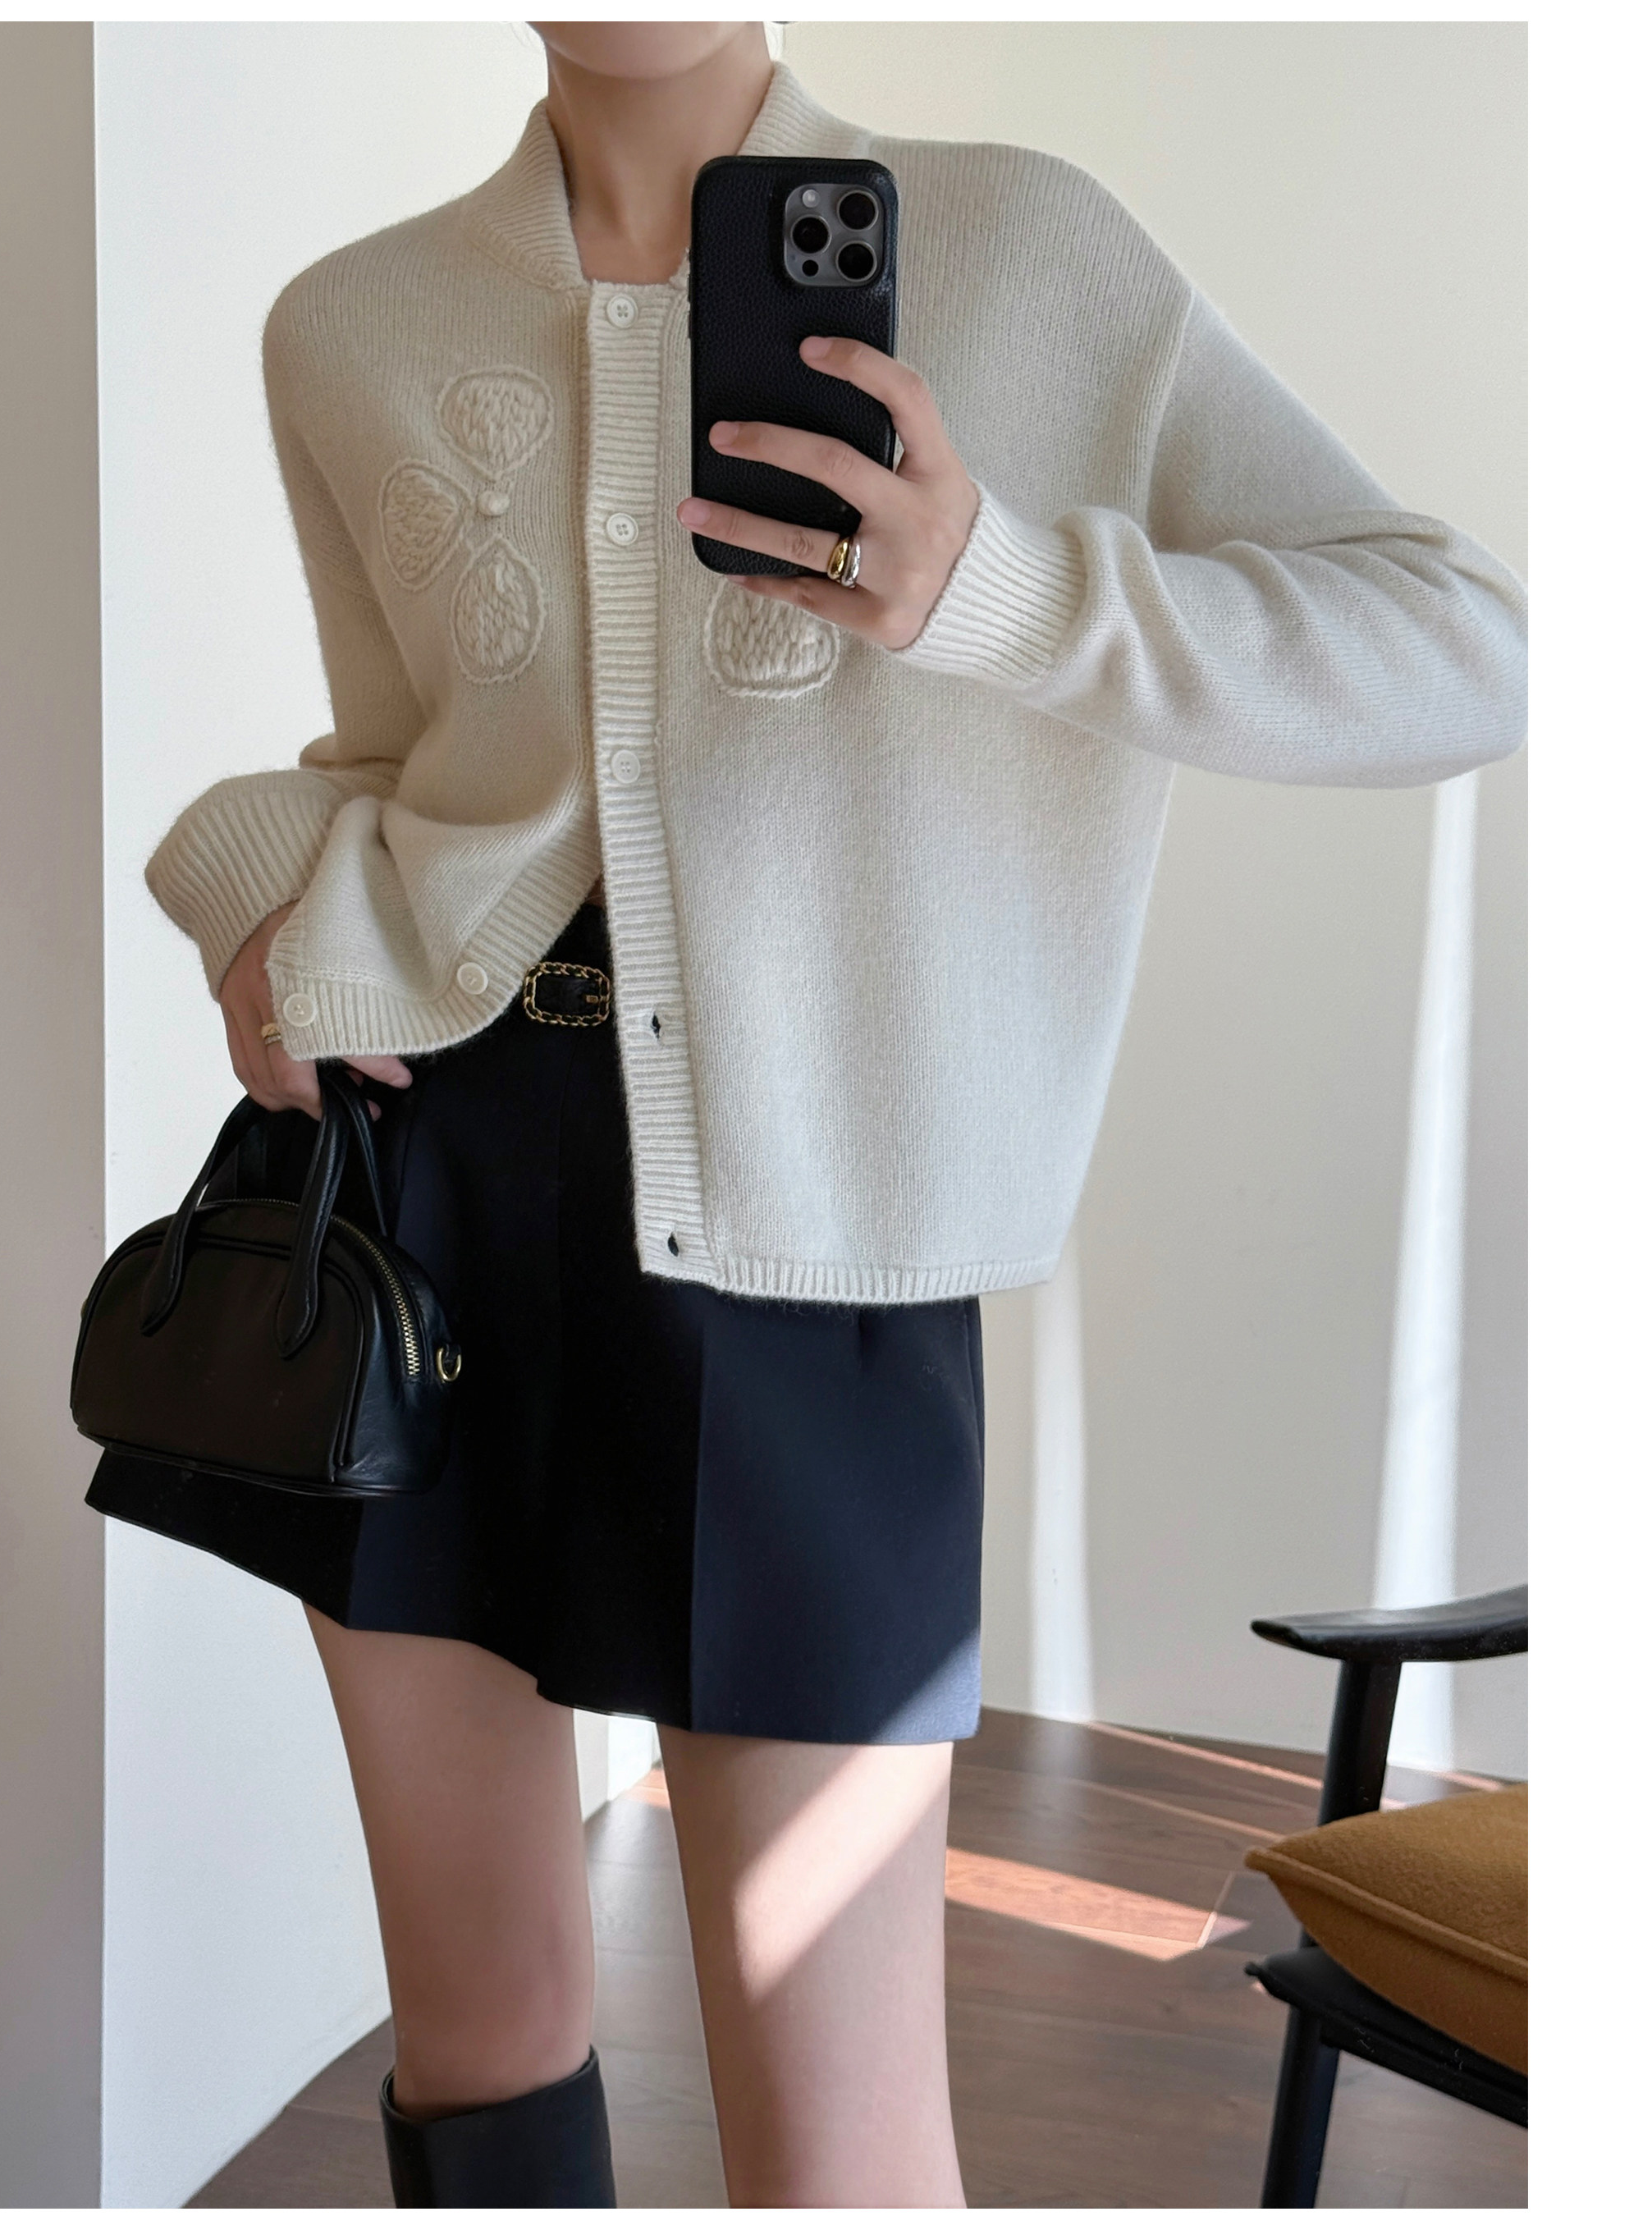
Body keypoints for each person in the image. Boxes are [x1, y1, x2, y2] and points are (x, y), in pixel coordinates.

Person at [87, 20, 1526, 2209]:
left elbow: (1462, 646)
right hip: (421, 1206)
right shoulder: (351, 324)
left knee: (837, 2146)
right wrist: (265, 906)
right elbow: (399, 760)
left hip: (816, 1242)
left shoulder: (1028, 248)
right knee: (477, 2048)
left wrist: (999, 587)